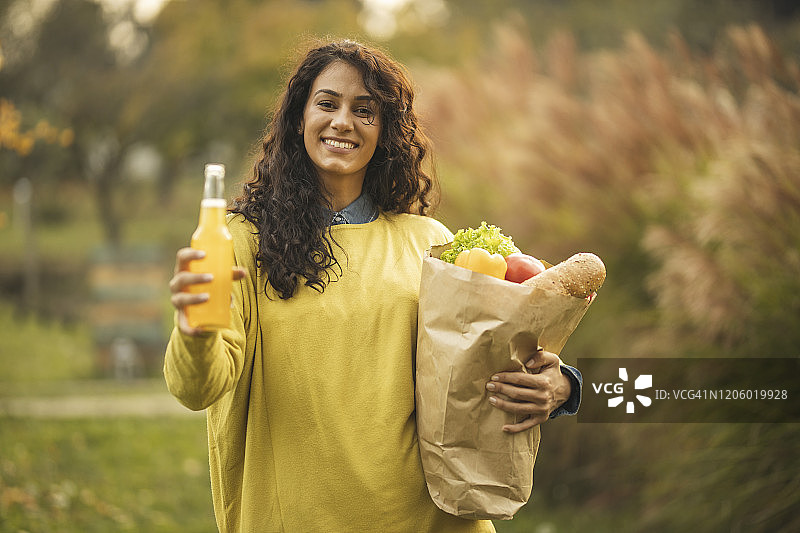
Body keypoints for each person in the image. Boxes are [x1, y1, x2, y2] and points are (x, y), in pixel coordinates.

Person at [165, 38, 582, 533]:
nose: (343, 121)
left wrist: (560, 385)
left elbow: (480, 369)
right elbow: (198, 388)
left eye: (365, 110)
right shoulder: (243, 240)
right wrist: (195, 329)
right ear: (299, 118)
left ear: (383, 132)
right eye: (327, 104)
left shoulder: (430, 243)